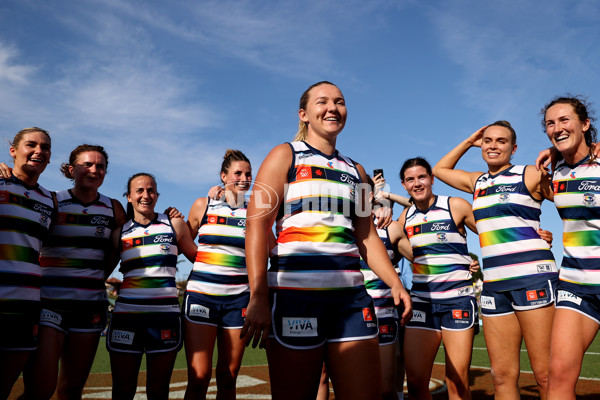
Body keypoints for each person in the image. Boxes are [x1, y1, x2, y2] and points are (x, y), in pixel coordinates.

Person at [242, 81, 412, 400]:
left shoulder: (357, 172)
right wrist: (258, 294)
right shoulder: (284, 156)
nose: (332, 107)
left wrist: (395, 283)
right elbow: (257, 226)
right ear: (304, 114)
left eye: (340, 101)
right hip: (294, 298)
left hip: (351, 301)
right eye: (323, 102)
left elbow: (366, 235)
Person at [433, 121, 558, 399]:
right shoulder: (477, 182)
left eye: (501, 141)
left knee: (545, 375)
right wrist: (469, 140)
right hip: (493, 286)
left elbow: (568, 202)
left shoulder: (529, 174)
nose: (493, 145)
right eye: (487, 140)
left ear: (513, 149)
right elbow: (439, 170)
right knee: (501, 377)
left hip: (533, 278)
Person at [11, 145, 126, 400]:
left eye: (100, 166)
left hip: (90, 307)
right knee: (40, 390)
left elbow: (117, 249)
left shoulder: (113, 208)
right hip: (49, 305)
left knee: (72, 390)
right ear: (72, 169)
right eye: (87, 164)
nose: (94, 170)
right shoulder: (52, 201)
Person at [106, 173, 197, 400]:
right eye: (139, 191)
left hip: (164, 318)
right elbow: (102, 270)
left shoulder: (173, 224)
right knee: (122, 391)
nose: (146, 195)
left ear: (157, 195)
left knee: (158, 391)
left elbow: (201, 259)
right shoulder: (120, 232)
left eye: (151, 190)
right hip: (126, 318)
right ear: (128, 197)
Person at [395, 157, 479, 400]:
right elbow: (388, 245)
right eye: (410, 179)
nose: (417, 183)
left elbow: (490, 231)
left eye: (422, 177)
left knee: (457, 382)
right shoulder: (405, 218)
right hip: (422, 303)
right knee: (416, 381)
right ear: (404, 185)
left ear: (432, 179)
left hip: (458, 301)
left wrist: (534, 234)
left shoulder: (456, 205)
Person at [538, 96, 600, 400]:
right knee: (558, 378)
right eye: (551, 123)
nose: (557, 127)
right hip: (576, 282)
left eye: (565, 120)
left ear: (585, 125)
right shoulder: (555, 168)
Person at [183, 149, 255, 400]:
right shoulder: (204, 204)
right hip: (202, 296)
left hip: (239, 300)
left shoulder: (256, 209)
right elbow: (183, 239)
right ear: (224, 176)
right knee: (199, 377)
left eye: (248, 174)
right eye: (238, 173)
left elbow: (269, 249)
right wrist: (204, 261)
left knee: (228, 377)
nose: (244, 178)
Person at [0, 128, 55, 399]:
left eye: (44, 148)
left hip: (26, 303)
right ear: (13, 151)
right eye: (31, 145)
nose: (38, 151)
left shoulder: (49, 199)